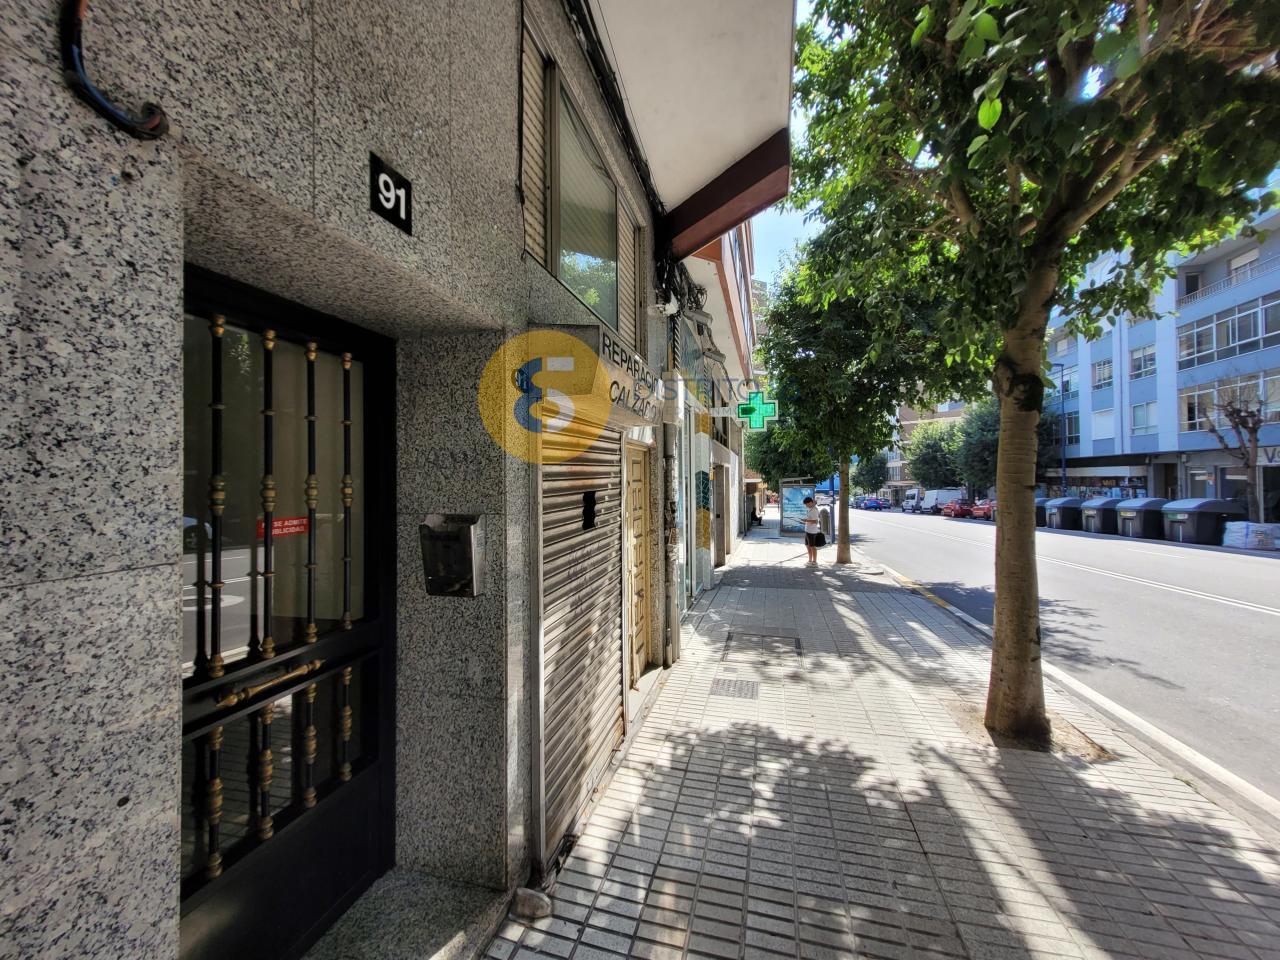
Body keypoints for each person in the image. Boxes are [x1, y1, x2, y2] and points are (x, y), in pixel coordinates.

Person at [803, 496, 822, 566]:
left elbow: (816, 521)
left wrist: (806, 520)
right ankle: (810, 560)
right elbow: (810, 519)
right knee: (807, 546)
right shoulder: (810, 508)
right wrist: (806, 521)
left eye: (807, 504)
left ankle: (814, 562)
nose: (806, 506)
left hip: (812, 531)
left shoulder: (814, 510)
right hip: (807, 530)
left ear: (811, 502)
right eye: (805, 504)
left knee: (812, 546)